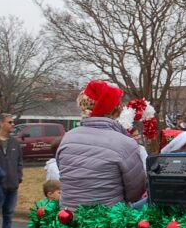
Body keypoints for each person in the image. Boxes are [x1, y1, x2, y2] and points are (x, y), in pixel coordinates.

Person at [56, 81, 146, 209]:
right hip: (108, 222)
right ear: (115, 109)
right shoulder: (125, 143)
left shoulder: (67, 138)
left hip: (68, 220)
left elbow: (64, 174)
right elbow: (135, 193)